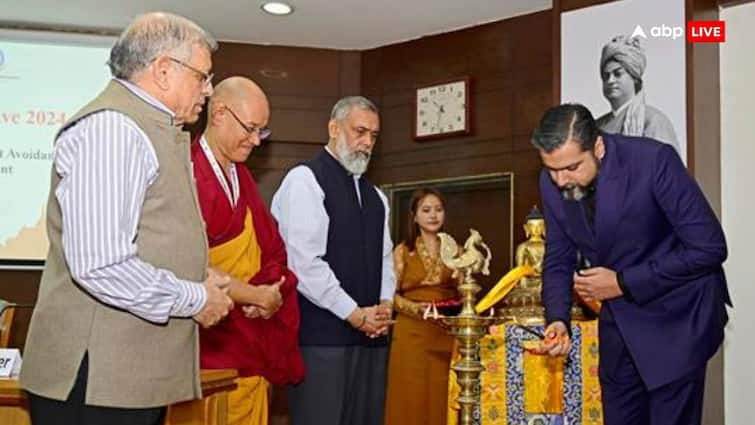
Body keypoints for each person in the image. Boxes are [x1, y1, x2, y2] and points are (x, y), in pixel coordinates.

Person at [20, 12, 234, 425]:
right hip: (96, 381)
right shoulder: (114, 129)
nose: (208, 90)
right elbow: (101, 263)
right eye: (202, 76)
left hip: (124, 379)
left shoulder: (144, 127)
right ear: (164, 71)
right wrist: (195, 298)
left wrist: (197, 275)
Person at [531, 103, 730, 425]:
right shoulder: (551, 180)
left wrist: (623, 282)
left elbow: (709, 248)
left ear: (598, 146)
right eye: (551, 169)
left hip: (677, 319)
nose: (560, 180)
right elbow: (558, 254)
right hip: (621, 326)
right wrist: (557, 319)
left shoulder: (653, 161)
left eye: (571, 167)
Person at [271, 96, 395, 425]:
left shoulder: (377, 197)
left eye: (374, 135)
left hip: (370, 339)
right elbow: (304, 262)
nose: (367, 142)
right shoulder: (305, 180)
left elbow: (386, 259)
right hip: (321, 339)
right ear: (333, 128)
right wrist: (353, 314)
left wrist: (385, 305)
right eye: (359, 131)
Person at [193, 76, 305, 425]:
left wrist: (272, 290)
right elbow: (186, 264)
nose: (256, 140)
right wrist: (254, 295)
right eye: (251, 128)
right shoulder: (187, 171)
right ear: (220, 113)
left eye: (262, 131)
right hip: (207, 341)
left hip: (250, 335)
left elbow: (271, 247)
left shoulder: (240, 177)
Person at [384, 188, 458, 425]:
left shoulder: (455, 249)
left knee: (441, 394)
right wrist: (417, 309)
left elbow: (465, 291)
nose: (433, 215)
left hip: (444, 330)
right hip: (411, 332)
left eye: (438, 209)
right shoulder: (403, 251)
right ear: (414, 216)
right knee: (410, 396)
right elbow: (389, 295)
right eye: (426, 210)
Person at [595, 35, 680, 154]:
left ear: (634, 78)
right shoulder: (596, 125)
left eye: (617, 74)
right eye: (606, 76)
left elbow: (665, 168)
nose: (610, 80)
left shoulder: (653, 120)